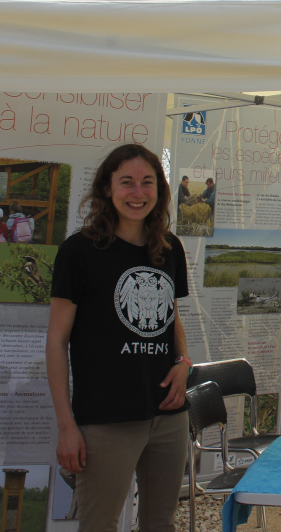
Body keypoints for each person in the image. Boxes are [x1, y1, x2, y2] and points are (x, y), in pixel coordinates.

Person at [46, 143, 191, 532]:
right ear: (107, 189)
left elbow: (170, 316)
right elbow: (57, 342)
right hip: (107, 419)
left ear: (159, 190)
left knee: (160, 523)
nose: (138, 192)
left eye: (147, 183)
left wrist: (184, 363)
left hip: (168, 412)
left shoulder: (170, 248)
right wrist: (66, 426)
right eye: (126, 182)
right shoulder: (79, 252)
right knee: (99, 525)